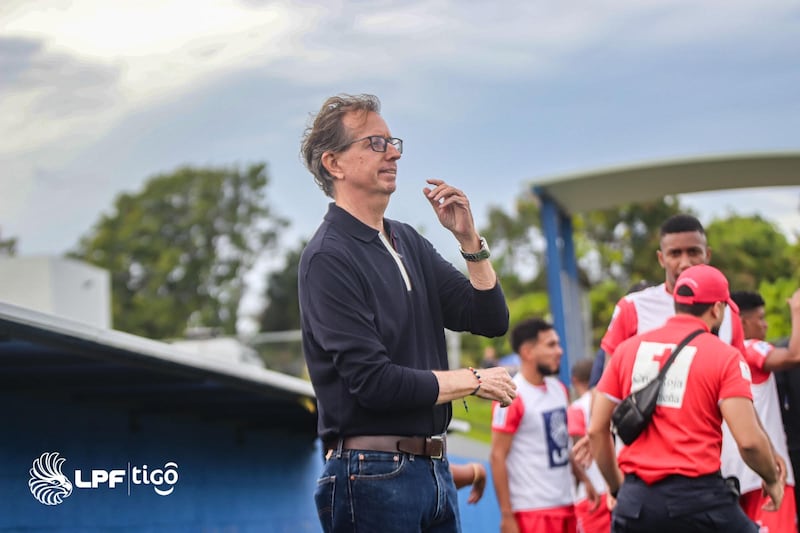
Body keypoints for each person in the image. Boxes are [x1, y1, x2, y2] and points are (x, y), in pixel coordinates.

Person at [297, 93, 517, 533]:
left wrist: (471, 243)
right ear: (334, 164)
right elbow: (374, 383)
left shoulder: (406, 240)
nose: (394, 152)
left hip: (431, 470)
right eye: (375, 143)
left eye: (392, 141)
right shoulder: (328, 257)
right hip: (371, 474)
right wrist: (473, 381)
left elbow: (490, 319)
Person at [588, 264, 783, 532]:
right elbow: (748, 441)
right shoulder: (724, 356)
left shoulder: (627, 350)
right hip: (699, 502)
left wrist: (617, 488)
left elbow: (596, 429)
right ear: (717, 309)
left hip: (636, 504)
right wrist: (771, 478)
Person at [576, 214, 747, 466]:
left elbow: (741, 390)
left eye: (694, 252)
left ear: (707, 255)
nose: (685, 262)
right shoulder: (633, 307)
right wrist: (608, 457)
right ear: (661, 258)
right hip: (643, 464)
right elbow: (609, 389)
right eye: (675, 253)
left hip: (711, 460)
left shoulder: (727, 311)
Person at [720, 289, 800, 532]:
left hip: (733, 474)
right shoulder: (750, 348)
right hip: (766, 471)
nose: (765, 325)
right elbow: (794, 355)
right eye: (761, 318)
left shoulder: (720, 355)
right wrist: (797, 311)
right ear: (743, 322)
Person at [489, 318, 577, 533]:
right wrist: (507, 515)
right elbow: (497, 456)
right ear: (528, 352)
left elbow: (566, 445)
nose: (559, 351)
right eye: (551, 345)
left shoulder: (560, 389)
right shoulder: (512, 394)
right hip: (532, 511)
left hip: (567, 505)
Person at [568, 358, 612, 533]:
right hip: (615, 487)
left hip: (591, 492)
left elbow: (578, 454)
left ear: (575, 380)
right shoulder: (610, 401)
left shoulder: (576, 408)